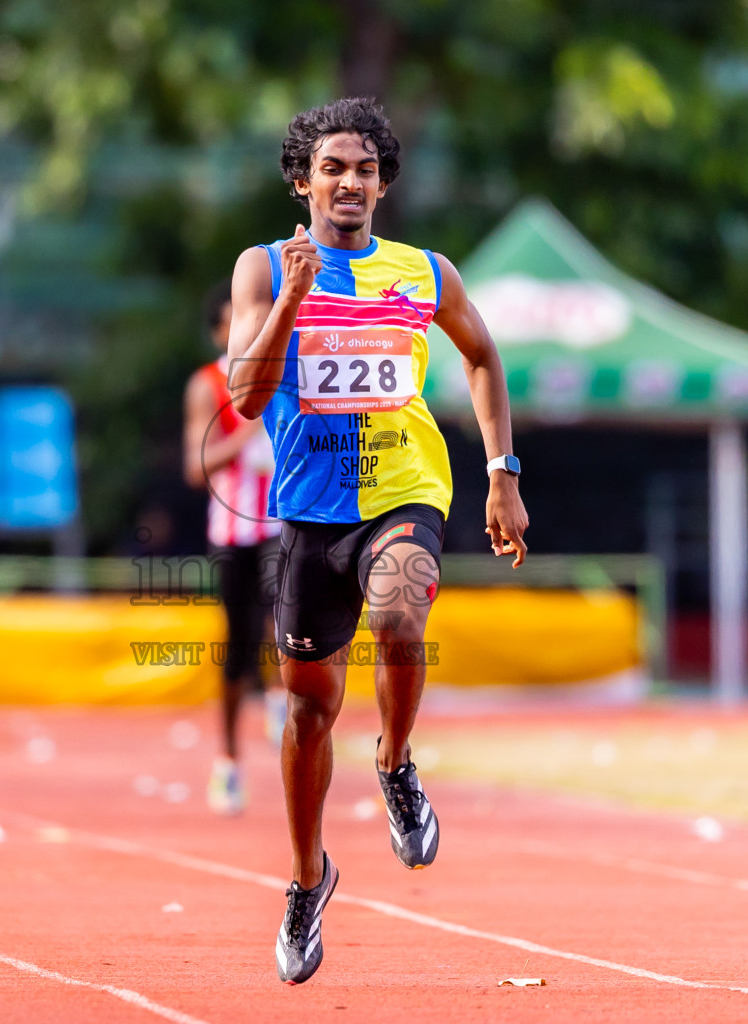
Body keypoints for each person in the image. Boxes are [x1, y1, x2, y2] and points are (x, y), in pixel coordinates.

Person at [227, 98, 529, 984]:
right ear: (302, 180)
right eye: (333, 168)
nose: (349, 181)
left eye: (365, 168)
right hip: (312, 512)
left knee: (401, 614)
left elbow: (481, 357)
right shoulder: (260, 267)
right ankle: (306, 877)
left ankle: (396, 763)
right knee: (309, 711)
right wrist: (289, 295)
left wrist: (502, 472)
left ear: (384, 183)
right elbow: (245, 399)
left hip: (406, 491)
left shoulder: (425, 273)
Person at [184, 281, 287, 816]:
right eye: (234, 321)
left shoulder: (286, 368)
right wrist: (246, 434)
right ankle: (227, 760)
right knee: (236, 645)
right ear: (219, 330)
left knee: (284, 608)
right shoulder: (206, 385)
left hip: (282, 521)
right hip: (230, 528)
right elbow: (194, 466)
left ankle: (277, 699)